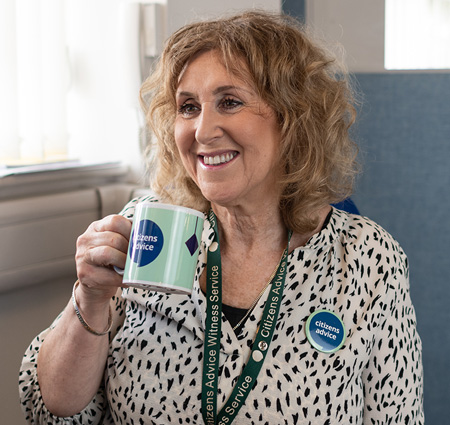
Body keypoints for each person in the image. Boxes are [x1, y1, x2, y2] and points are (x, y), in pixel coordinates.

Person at [19, 10, 424, 425]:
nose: (202, 130)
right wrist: (89, 298)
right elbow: (53, 407)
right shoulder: (148, 231)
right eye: (188, 107)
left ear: (293, 119)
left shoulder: (368, 260)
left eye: (229, 102)